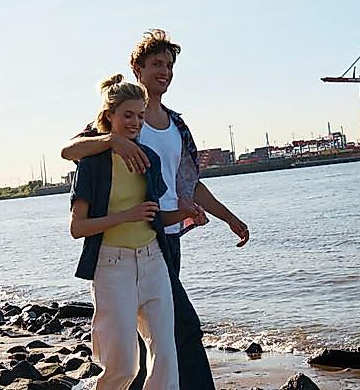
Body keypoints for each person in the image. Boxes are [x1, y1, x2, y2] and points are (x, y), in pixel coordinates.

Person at [59, 28, 250, 390]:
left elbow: (189, 185)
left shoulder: (177, 125)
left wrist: (230, 218)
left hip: (166, 238)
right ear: (137, 68)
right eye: (156, 64)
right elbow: (72, 151)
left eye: (170, 65)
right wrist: (112, 139)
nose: (164, 71)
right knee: (181, 331)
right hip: (125, 243)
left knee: (162, 336)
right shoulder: (123, 119)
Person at [69, 75, 180, 390]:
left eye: (141, 116)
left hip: (154, 260)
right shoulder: (92, 164)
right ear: (109, 117)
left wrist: (186, 213)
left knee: (166, 360)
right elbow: (78, 228)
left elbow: (154, 217)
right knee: (122, 367)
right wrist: (125, 216)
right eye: (127, 115)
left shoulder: (150, 159)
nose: (135, 122)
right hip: (111, 266)